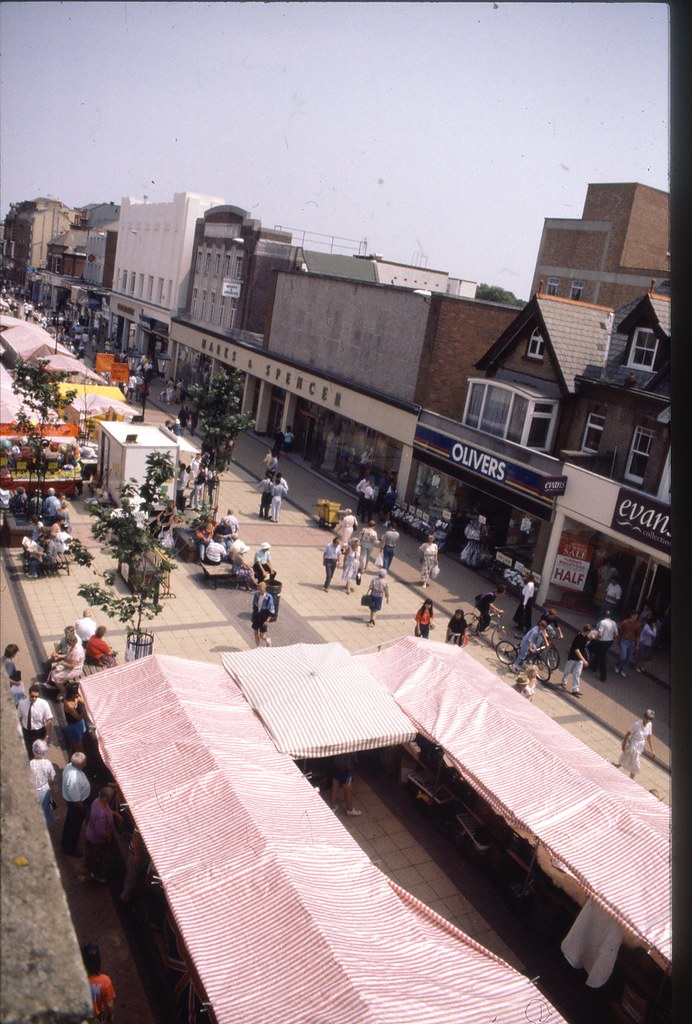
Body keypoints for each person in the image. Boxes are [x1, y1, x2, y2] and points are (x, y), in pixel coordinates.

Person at [85, 784, 119, 883]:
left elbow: (107, 809)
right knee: (97, 858)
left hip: (90, 833)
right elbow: (100, 832)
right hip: (96, 840)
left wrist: (115, 814)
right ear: (106, 798)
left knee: (92, 855)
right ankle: (96, 875)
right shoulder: (101, 815)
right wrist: (108, 837)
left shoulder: (96, 801)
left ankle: (92, 869)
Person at [61, 752, 91, 856]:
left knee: (69, 823)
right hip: (76, 806)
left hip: (75, 803)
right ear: (79, 764)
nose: (85, 764)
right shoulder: (73, 778)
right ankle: (70, 848)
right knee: (74, 827)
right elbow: (76, 799)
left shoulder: (70, 766)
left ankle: (65, 842)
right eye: (84, 762)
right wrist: (83, 809)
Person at [81, 942, 116, 1023]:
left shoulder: (79, 979)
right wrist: (110, 1017)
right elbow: (109, 1006)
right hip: (98, 1015)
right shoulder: (105, 980)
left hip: (82, 1017)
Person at [18, 685, 53, 758]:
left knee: (39, 753)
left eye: (36, 697)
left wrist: (47, 736)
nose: (34, 698)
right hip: (27, 732)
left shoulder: (43, 704)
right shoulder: (22, 704)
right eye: (32, 696)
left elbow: (49, 720)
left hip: (39, 732)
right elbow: (20, 717)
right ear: (29, 694)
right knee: (28, 751)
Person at [618, 710, 656, 779]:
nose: (648, 720)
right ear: (644, 716)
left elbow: (649, 738)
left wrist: (652, 750)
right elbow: (627, 734)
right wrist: (623, 746)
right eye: (647, 718)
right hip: (633, 744)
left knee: (626, 759)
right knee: (635, 763)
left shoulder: (650, 724)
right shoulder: (637, 724)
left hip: (640, 746)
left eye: (650, 719)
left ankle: (615, 766)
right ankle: (631, 779)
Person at [46, 632, 85, 697]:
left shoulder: (76, 652)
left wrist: (62, 663)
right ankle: (59, 684)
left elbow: (72, 666)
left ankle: (63, 692)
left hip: (76, 669)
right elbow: (68, 656)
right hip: (68, 664)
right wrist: (59, 656)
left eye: (67, 642)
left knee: (56, 677)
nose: (66, 644)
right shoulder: (72, 646)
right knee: (54, 668)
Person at [558, 623, 591, 697]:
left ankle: (575, 689)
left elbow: (585, 645)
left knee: (577, 673)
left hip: (579, 659)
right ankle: (564, 681)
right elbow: (576, 650)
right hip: (573, 657)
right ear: (587, 631)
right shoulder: (578, 637)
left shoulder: (586, 637)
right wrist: (584, 660)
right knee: (567, 670)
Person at [30, 738, 56, 825]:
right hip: (44, 790)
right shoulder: (47, 763)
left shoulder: (30, 763)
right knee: (45, 809)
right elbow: (52, 778)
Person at [590, 612, 619, 683]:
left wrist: (594, 638)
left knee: (601, 657)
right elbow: (616, 634)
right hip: (609, 642)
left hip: (602, 641)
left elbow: (599, 634)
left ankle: (603, 676)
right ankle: (594, 666)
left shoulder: (602, 622)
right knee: (600, 653)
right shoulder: (614, 623)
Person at [64, 681, 88, 755]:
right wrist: (86, 709)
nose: (78, 694)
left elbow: (84, 701)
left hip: (80, 724)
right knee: (80, 750)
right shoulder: (68, 705)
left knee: (75, 745)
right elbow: (78, 717)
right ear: (71, 694)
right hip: (73, 727)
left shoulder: (77, 697)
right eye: (76, 693)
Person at [614, 610, 641, 677]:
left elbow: (638, 636)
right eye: (635, 615)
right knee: (623, 656)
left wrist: (637, 645)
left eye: (637, 616)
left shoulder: (638, 625)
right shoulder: (625, 622)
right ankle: (617, 665)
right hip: (624, 640)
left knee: (628, 658)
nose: (636, 617)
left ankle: (622, 669)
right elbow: (620, 631)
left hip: (632, 642)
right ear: (631, 615)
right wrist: (619, 640)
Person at [251, 581, 275, 647]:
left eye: (261, 590)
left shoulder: (269, 597)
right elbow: (254, 606)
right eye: (259, 589)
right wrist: (252, 615)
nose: (260, 591)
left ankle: (267, 639)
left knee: (262, 635)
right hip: (256, 616)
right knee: (255, 633)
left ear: (264, 589)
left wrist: (267, 620)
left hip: (263, 618)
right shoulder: (256, 594)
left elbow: (272, 610)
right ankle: (257, 647)